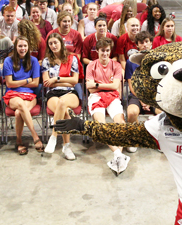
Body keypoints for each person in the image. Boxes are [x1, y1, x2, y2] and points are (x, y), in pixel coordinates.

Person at [86, 37, 128, 173]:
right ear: (97, 51)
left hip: (113, 96)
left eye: (107, 51)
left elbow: (116, 86)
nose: (105, 53)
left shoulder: (116, 66)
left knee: (120, 124)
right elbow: (90, 89)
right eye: (102, 51)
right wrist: (105, 86)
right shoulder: (91, 65)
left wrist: (97, 84)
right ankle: (119, 154)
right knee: (101, 125)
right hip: (96, 97)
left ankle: (118, 156)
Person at [41, 32, 80, 160]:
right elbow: (47, 83)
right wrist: (63, 80)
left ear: (61, 43)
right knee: (65, 112)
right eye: (50, 43)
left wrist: (56, 79)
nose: (53, 45)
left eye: (55, 42)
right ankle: (66, 146)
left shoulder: (72, 58)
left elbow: (74, 81)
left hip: (69, 92)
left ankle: (53, 136)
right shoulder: (46, 61)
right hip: (53, 93)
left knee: (62, 103)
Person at [3, 37, 42, 155]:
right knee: (19, 104)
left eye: (25, 46)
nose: (22, 48)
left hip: (30, 94)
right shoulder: (8, 61)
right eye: (20, 46)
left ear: (28, 47)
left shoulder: (34, 61)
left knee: (18, 112)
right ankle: (35, 136)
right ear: (15, 47)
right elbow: (9, 83)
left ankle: (19, 141)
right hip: (12, 94)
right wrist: (27, 80)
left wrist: (19, 82)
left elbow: (35, 83)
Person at [125, 31, 159, 152]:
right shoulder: (130, 62)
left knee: (163, 112)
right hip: (137, 95)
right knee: (132, 112)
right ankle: (133, 139)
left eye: (146, 42)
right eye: (141, 43)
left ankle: (159, 140)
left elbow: (159, 84)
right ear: (137, 45)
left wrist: (149, 100)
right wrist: (142, 100)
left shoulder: (157, 60)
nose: (144, 45)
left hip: (154, 96)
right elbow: (131, 85)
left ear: (151, 43)